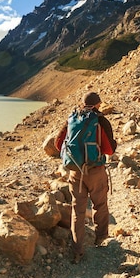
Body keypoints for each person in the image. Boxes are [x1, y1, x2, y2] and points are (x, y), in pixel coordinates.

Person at [54, 91, 117, 263]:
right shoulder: (101, 121)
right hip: (96, 171)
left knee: (78, 210)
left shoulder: (72, 119)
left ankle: (77, 249)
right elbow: (109, 150)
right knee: (100, 205)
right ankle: (100, 238)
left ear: (82, 104)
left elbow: (58, 144)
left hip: (75, 172)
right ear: (98, 104)